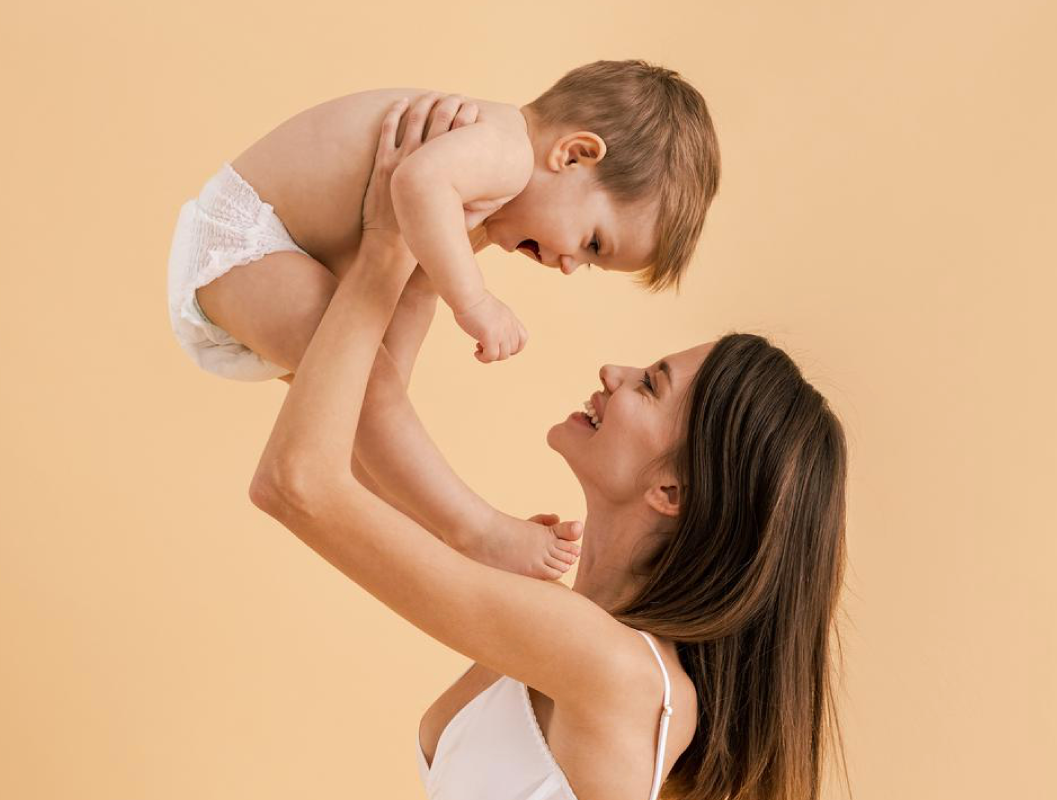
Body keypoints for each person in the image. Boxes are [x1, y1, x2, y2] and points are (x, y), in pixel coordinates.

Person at [249, 100, 848, 800]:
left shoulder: (608, 667)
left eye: (651, 385)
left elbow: (296, 483)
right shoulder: (566, 633)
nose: (613, 374)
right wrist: (418, 259)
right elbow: (353, 460)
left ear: (674, 492)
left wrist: (386, 243)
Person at [169, 60, 721, 579]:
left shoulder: (476, 198)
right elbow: (414, 182)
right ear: (573, 155)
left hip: (277, 254)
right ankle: (474, 529)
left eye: (593, 261)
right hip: (247, 241)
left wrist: (389, 399)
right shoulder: (504, 149)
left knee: (373, 398)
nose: (572, 265)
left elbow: (415, 286)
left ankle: (435, 525)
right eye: (594, 241)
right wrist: (475, 302)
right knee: (374, 394)